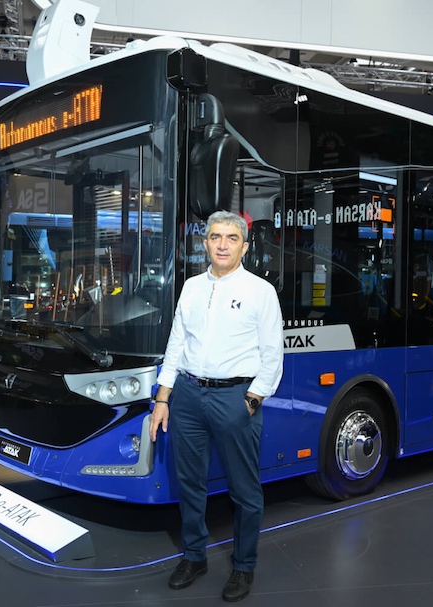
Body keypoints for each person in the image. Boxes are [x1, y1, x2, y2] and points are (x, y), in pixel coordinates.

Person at [150, 210, 283, 602]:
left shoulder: (261, 291)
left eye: (231, 238)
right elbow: (176, 344)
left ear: (244, 246)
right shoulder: (191, 287)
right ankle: (194, 556)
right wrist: (163, 398)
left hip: (235, 398)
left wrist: (251, 401)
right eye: (215, 237)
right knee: (190, 483)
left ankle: (244, 565)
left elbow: (272, 356)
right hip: (188, 396)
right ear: (205, 243)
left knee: (244, 491)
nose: (222, 245)